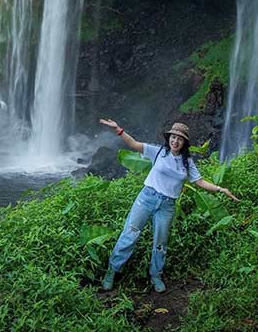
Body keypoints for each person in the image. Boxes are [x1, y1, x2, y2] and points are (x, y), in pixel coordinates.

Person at [98, 119, 240, 293]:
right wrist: (118, 130)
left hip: (167, 205)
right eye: (173, 137)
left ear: (184, 142)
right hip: (147, 197)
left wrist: (220, 188)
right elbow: (134, 144)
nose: (175, 141)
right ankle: (112, 271)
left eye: (179, 139)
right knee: (130, 233)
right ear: (169, 138)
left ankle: (155, 275)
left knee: (160, 242)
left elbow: (200, 182)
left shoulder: (187, 162)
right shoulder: (158, 152)